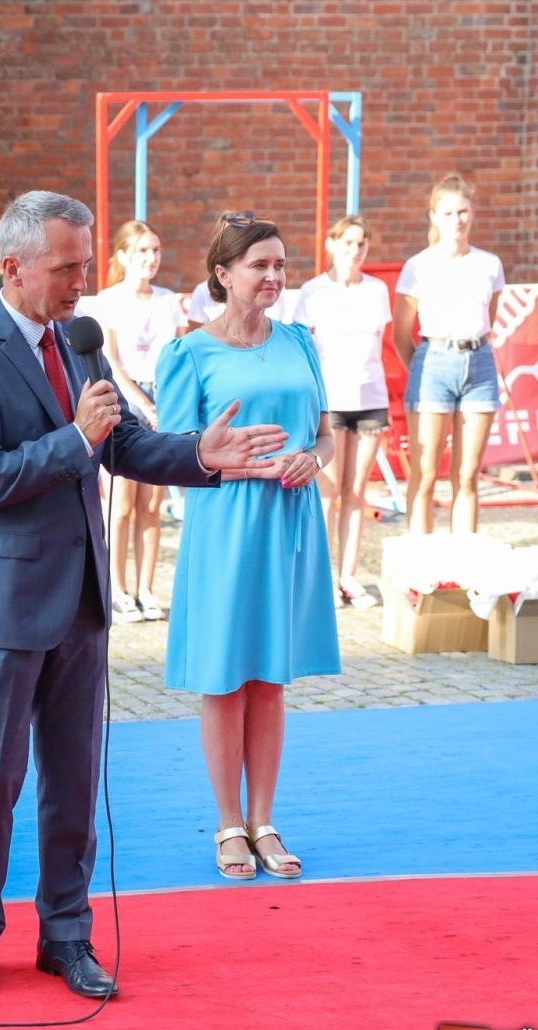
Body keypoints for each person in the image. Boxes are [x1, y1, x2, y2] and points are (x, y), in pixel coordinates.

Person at [0, 191, 284, 1001]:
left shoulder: (81, 343)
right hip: (0, 605)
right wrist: (73, 440)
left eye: (86, 263)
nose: (82, 280)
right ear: (13, 265)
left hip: (80, 600)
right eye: (66, 266)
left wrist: (202, 453)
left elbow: (120, 444)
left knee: (75, 779)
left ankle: (67, 934)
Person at [156, 212, 341, 884]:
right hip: (224, 525)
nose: (272, 276)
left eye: (280, 265)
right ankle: (228, 823)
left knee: (270, 677)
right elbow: (172, 454)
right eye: (259, 265)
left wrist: (313, 463)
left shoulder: (300, 341)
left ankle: (264, 821)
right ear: (222, 274)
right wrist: (243, 467)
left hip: (291, 522)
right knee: (224, 676)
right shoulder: (189, 353)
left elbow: (325, 436)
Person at [83, 220, 187, 623]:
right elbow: (111, 360)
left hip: (163, 398)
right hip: (126, 398)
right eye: (142, 251)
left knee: (152, 503)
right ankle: (118, 588)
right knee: (122, 504)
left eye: (156, 250)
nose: (151, 258)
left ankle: (146, 588)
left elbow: (177, 357)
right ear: (124, 256)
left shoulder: (167, 300)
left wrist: (169, 404)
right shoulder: (108, 300)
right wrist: (141, 402)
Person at [393, 174, 505, 535]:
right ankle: (420, 567)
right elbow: (400, 334)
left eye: (463, 211)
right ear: (434, 217)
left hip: (479, 363)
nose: (457, 219)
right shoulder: (419, 265)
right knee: (425, 474)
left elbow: (490, 318)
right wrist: (423, 370)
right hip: (434, 361)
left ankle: (464, 569)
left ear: (472, 213)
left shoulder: (489, 264)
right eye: (448, 212)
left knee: (468, 474)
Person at [294, 215, 393, 607]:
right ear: (331, 245)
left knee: (356, 491)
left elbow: (378, 343)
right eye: (347, 243)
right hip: (329, 402)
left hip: (369, 397)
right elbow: (303, 348)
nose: (355, 251)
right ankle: (323, 578)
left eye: (361, 244)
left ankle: (349, 575)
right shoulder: (314, 292)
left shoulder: (377, 290)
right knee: (328, 493)